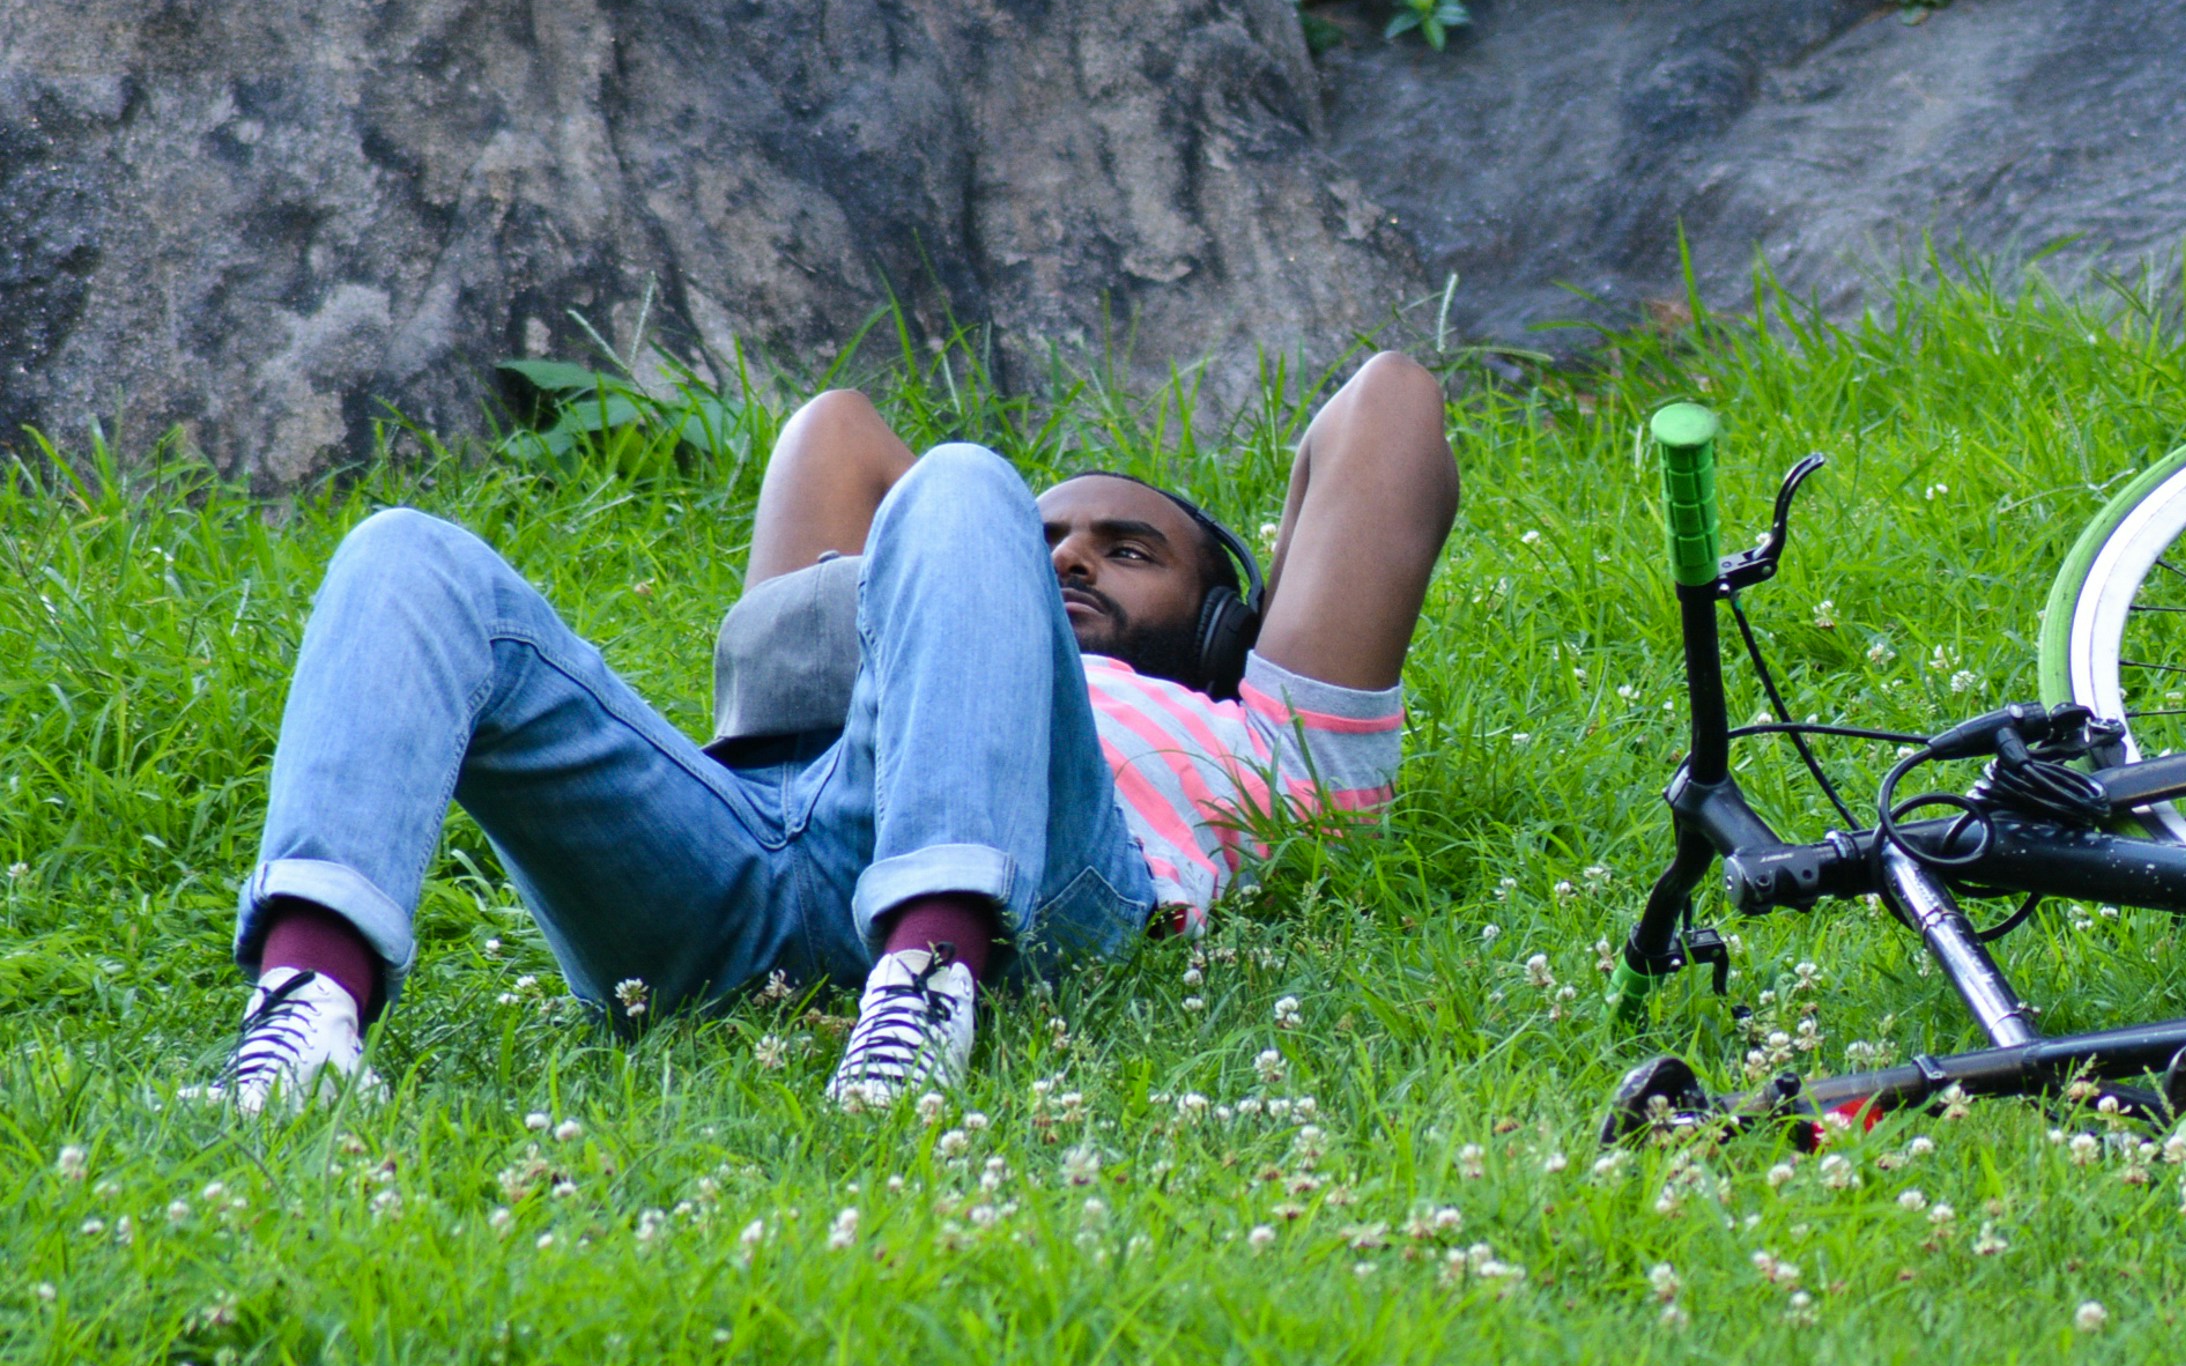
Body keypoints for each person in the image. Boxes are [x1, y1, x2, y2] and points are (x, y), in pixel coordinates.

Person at [210, 352, 1457, 1113]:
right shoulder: (914, 595)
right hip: (736, 850)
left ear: (1224, 624)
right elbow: (838, 427)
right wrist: (942, 571)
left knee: (962, 476)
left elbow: (1387, 410)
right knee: (404, 555)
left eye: (1128, 551)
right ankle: (305, 1012)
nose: (1069, 553)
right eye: (1045, 542)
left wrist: (1276, 597)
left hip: (1052, 881)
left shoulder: (1260, 740)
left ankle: (928, 980)